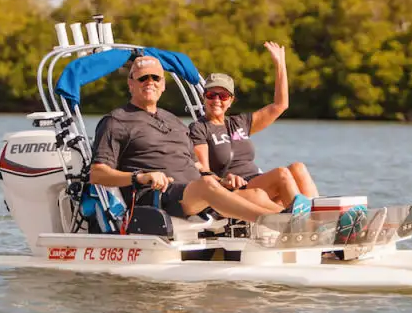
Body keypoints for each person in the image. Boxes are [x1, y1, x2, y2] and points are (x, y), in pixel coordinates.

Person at [89, 54, 294, 224]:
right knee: (205, 185)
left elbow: (196, 164)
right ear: (131, 84)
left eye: (155, 78)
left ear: (163, 85)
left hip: (197, 192)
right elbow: (97, 174)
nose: (149, 82)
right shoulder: (116, 121)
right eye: (142, 78)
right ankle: (277, 224)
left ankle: (302, 223)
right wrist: (139, 177)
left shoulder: (173, 120)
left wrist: (222, 180)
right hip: (159, 196)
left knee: (256, 194)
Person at [188, 41, 319, 211]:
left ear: (231, 100)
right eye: (211, 95)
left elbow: (280, 105)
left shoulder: (239, 123)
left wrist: (280, 65)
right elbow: (204, 172)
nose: (217, 100)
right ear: (204, 97)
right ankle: (307, 223)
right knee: (281, 174)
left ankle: (321, 217)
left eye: (223, 96)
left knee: (298, 167)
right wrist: (224, 181)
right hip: (235, 188)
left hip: (258, 181)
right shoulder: (199, 128)